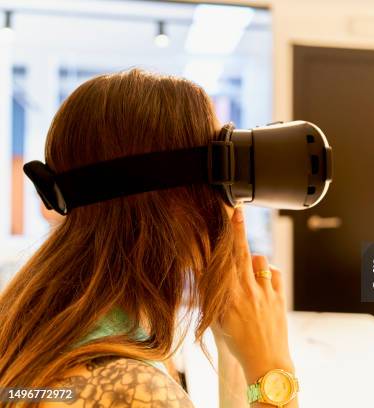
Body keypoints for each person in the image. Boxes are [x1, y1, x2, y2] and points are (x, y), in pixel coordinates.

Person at [0, 69, 298, 408]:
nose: (232, 205)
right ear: (173, 200)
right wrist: (272, 369)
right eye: (224, 175)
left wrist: (235, 349)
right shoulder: (133, 389)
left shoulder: (39, 317)